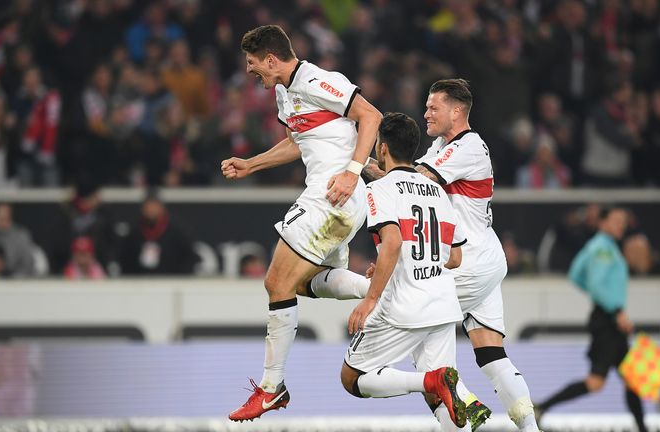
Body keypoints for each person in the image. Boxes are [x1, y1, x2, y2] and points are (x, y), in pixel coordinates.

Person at [312, 79, 539, 432]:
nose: (426, 113)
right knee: (491, 354)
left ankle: (464, 400)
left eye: (434, 108)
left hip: (468, 259)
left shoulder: (469, 145)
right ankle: (528, 427)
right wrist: (360, 163)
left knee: (421, 319)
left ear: (457, 111)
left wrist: (359, 165)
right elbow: (403, 173)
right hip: (468, 252)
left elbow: (413, 179)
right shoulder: (438, 146)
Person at [221, 25, 381, 422]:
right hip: (336, 200)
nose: (249, 70)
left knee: (275, 283)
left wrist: (352, 171)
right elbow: (298, 141)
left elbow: (371, 116)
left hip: (333, 194)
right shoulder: (283, 93)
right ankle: (382, 289)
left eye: (253, 63)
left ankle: (271, 389)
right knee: (300, 285)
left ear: (272, 60)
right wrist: (252, 164)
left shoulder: (317, 80)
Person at [340, 112, 467, 429]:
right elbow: (455, 257)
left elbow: (393, 241)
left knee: (352, 378)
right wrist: (397, 262)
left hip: (405, 306)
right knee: (446, 400)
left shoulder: (380, 189)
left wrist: (370, 299)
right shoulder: (436, 191)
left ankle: (428, 381)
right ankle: (446, 392)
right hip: (443, 303)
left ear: (382, 149)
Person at [534, 206, 649, 432]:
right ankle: (541, 407)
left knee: (631, 379)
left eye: (623, 222)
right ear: (602, 222)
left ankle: (643, 427)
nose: (621, 225)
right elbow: (595, 284)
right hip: (609, 320)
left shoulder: (597, 246)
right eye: (616, 221)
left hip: (608, 318)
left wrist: (602, 299)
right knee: (597, 382)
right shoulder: (604, 249)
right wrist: (616, 311)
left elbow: (576, 274)